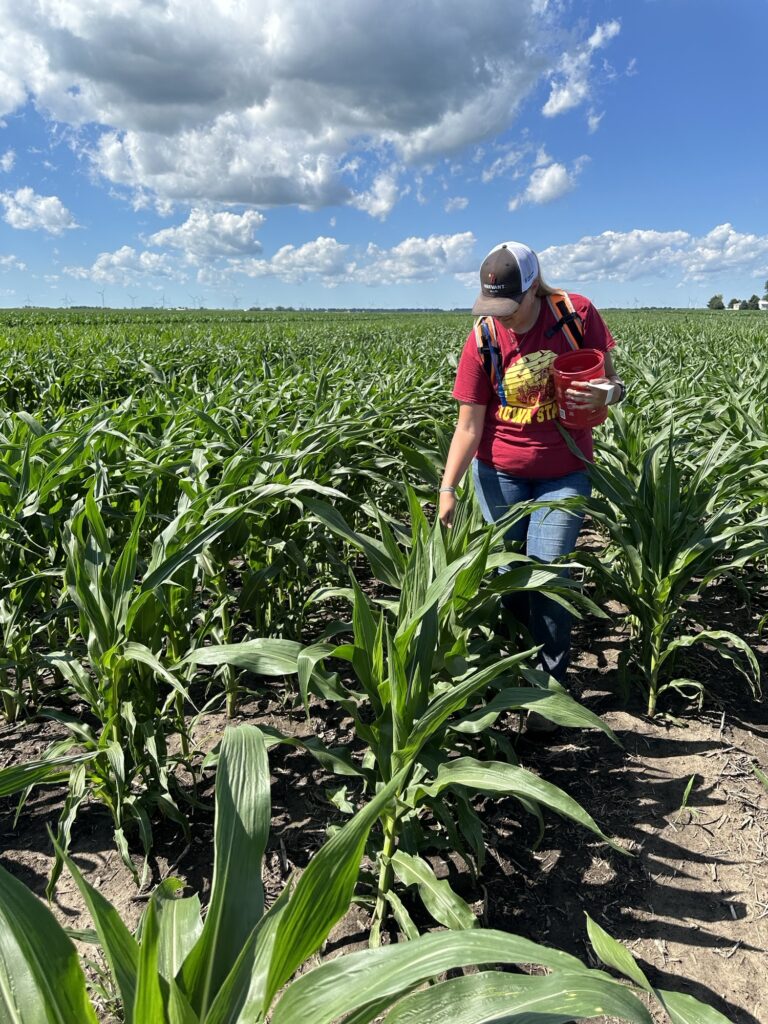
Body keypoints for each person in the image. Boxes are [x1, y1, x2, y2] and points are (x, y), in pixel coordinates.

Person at [438, 241, 624, 701]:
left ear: (533, 288)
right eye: (491, 305)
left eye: (509, 305)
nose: (501, 315)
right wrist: (448, 487)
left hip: (564, 472)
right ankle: (514, 673)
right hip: (498, 474)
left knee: (547, 575)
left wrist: (606, 396)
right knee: (510, 577)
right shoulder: (484, 337)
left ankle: (548, 694)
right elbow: (468, 426)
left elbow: (615, 385)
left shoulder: (575, 315)